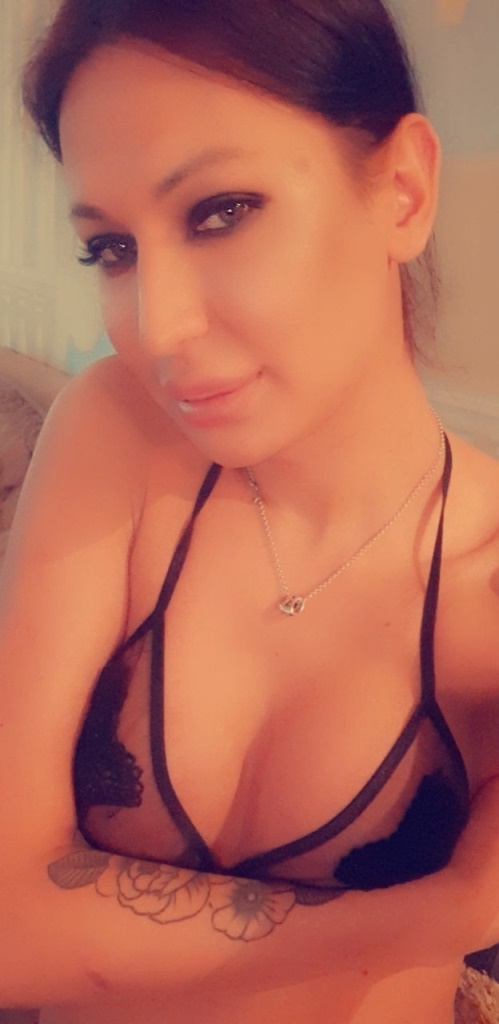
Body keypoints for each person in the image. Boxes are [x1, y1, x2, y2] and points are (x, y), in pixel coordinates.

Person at [1, 1, 499, 1021]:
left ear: (402, 192)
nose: (158, 328)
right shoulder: (115, 434)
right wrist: (430, 915)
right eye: (112, 249)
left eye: (220, 211)